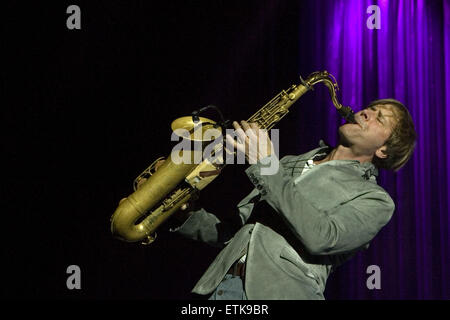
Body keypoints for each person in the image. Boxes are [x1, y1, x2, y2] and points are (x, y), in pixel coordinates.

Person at [166, 98, 416, 300]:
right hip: (219, 287)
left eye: (378, 117)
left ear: (383, 150)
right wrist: (184, 213)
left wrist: (266, 164)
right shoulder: (287, 164)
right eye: (369, 108)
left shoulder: (376, 199)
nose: (364, 113)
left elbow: (322, 237)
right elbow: (235, 234)